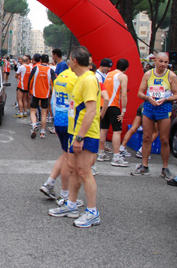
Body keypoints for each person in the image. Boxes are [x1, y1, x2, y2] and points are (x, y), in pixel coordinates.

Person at [49, 46, 101, 228]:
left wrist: (80, 137)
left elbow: (92, 111)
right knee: (72, 168)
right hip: (74, 132)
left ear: (74, 61)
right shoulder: (80, 78)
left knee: (84, 171)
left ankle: (92, 212)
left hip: (85, 134)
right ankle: (71, 205)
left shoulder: (88, 80)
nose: (68, 62)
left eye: (70, 59)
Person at [40, 66, 85, 209]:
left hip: (59, 118)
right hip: (70, 121)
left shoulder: (60, 77)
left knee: (65, 154)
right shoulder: (77, 78)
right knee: (69, 159)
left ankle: (50, 183)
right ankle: (65, 195)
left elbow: (53, 100)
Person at [132, 52, 177, 178]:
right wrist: (147, 98)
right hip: (149, 108)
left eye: (166, 62)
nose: (163, 64)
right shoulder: (148, 74)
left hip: (164, 109)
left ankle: (165, 168)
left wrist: (166, 99)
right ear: (156, 61)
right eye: (161, 61)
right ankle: (144, 166)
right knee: (147, 137)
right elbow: (139, 93)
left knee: (164, 139)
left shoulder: (171, 76)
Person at [99, 59, 129, 167]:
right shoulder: (123, 76)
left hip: (104, 104)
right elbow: (124, 94)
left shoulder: (108, 74)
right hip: (114, 105)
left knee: (103, 129)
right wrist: (124, 110)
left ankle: (101, 153)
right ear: (126, 68)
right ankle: (116, 157)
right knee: (117, 131)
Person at [28, 54, 55, 139]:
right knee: (44, 113)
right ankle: (42, 132)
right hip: (45, 94)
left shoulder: (35, 68)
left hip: (35, 93)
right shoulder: (50, 70)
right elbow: (54, 83)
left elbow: (30, 80)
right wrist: (53, 94)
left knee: (33, 111)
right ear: (48, 61)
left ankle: (34, 126)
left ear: (40, 61)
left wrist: (29, 91)